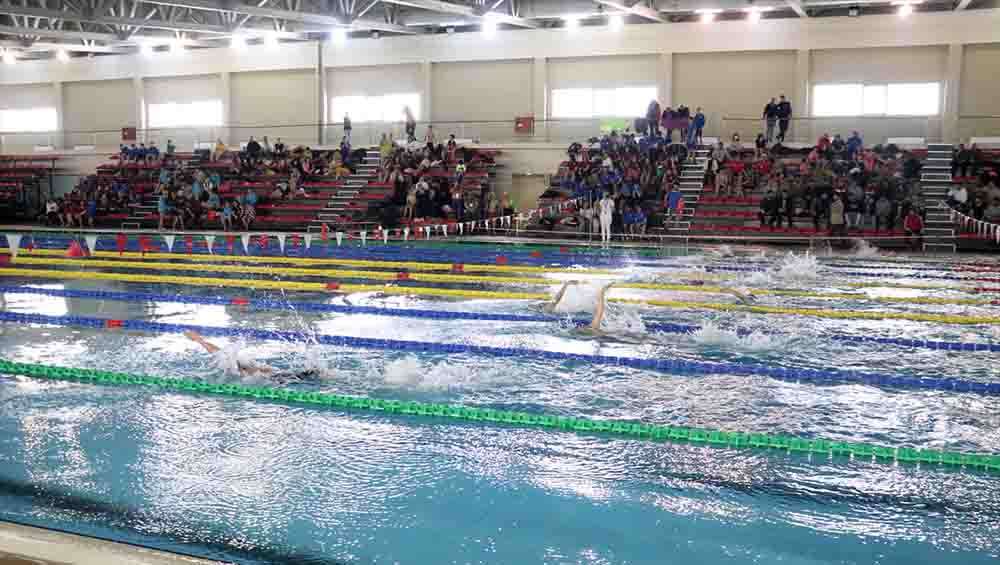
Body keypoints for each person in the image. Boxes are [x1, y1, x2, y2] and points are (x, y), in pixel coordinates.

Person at [184, 331, 321, 382]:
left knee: (304, 376)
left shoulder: (243, 373)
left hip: (277, 378)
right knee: (306, 374)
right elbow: (217, 351)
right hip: (278, 375)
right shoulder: (245, 367)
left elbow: (217, 352)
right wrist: (199, 340)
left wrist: (199, 340)